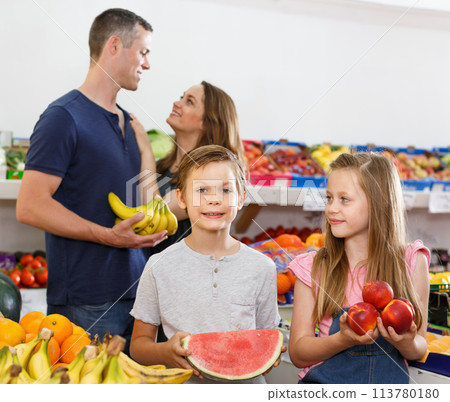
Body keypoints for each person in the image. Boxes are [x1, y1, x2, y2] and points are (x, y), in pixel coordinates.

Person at [16, 8, 166, 352]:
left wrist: (145, 152)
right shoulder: (63, 118)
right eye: (143, 52)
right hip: (86, 302)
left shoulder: (129, 122)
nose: (147, 64)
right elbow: (30, 206)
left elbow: (142, 202)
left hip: (136, 296)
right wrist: (108, 237)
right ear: (114, 45)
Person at [129, 145, 284, 383]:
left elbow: (267, 336)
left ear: (241, 198)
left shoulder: (262, 267)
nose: (214, 199)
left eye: (225, 190)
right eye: (202, 190)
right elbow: (138, 346)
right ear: (181, 198)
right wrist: (166, 352)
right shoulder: (158, 265)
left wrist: (269, 357)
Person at [287, 152, 430, 384]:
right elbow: (298, 353)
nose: (331, 209)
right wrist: (342, 339)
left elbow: (419, 347)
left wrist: (405, 342)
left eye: (344, 199)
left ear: (378, 203)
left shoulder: (411, 260)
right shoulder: (314, 267)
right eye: (329, 198)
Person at [130, 80, 245, 255]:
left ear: (207, 123)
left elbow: (155, 217)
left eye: (189, 101)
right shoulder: (163, 166)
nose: (177, 103)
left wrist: (146, 150)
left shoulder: (210, 173)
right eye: (181, 97)